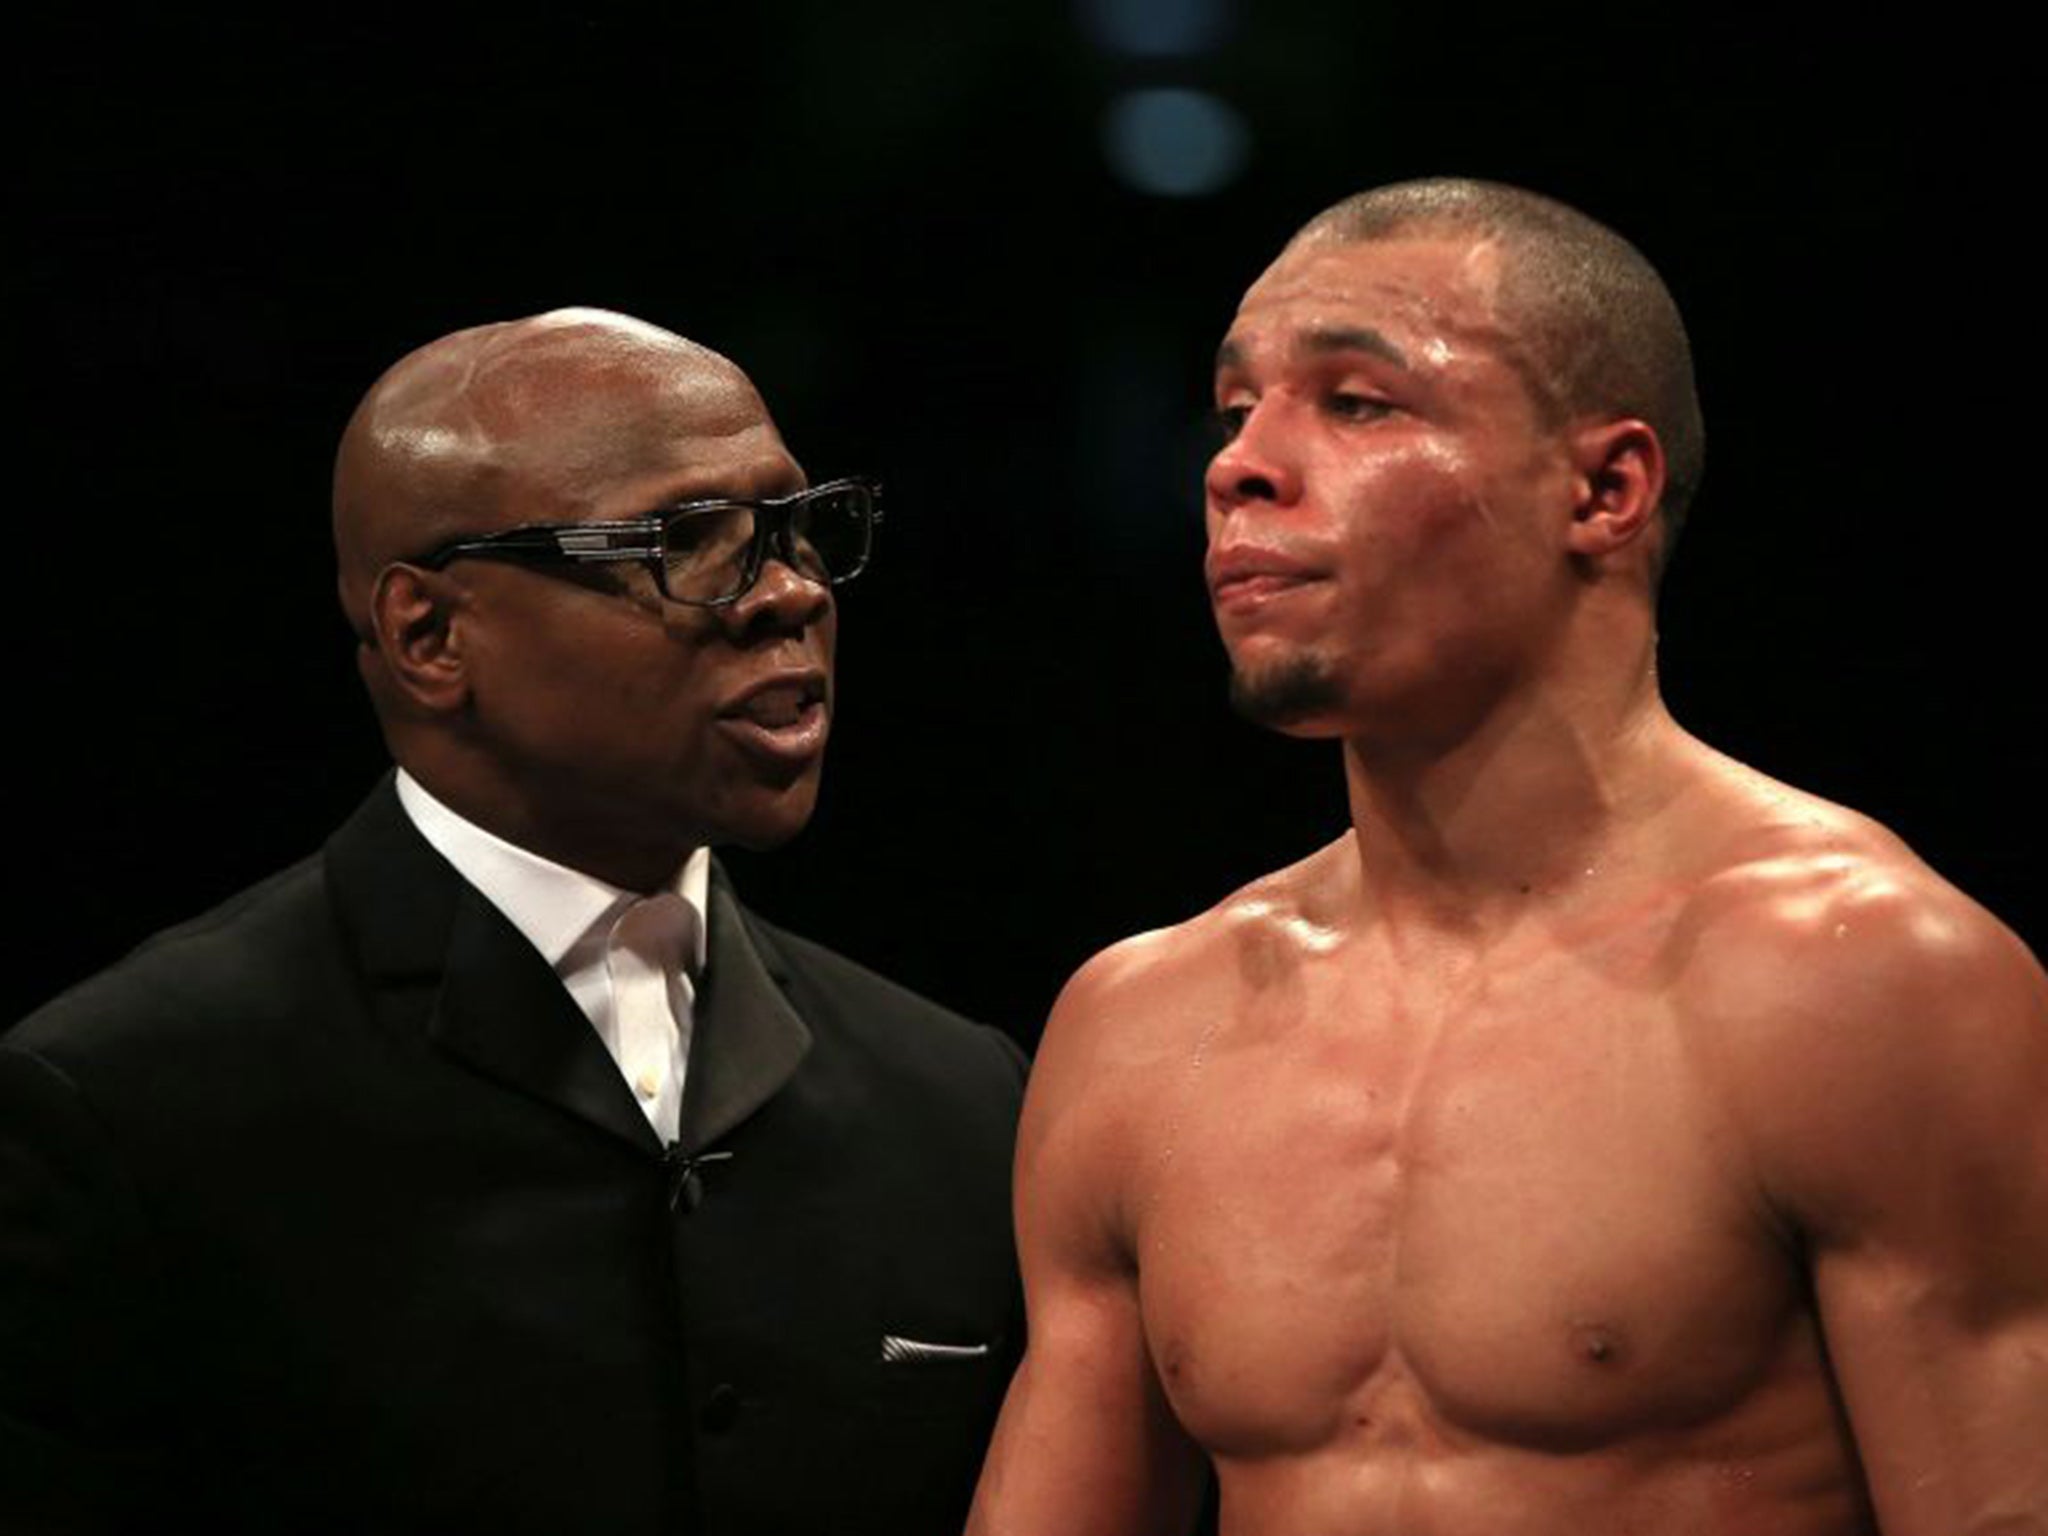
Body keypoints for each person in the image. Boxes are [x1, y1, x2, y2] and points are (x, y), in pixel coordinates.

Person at [967, 179, 2048, 1534]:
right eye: (1238, 408)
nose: (1239, 463)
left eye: (1357, 403)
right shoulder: (1138, 1029)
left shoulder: (1861, 979)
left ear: (1603, 489)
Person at [0, 309, 1026, 1536]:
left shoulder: (965, 1101)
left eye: (800, 530)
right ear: (430, 635)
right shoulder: (127, 1101)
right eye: (688, 542)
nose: (791, 594)